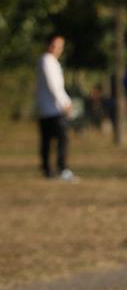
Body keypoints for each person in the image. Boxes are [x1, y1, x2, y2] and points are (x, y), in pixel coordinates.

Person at [35, 33, 75, 181]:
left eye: (60, 46)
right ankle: (61, 167)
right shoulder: (47, 60)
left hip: (48, 108)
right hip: (53, 109)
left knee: (48, 140)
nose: (57, 49)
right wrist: (65, 103)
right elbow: (54, 86)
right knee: (61, 139)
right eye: (55, 45)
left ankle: (48, 169)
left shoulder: (50, 61)